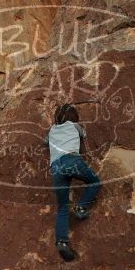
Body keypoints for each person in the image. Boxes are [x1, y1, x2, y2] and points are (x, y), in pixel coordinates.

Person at [44, 103, 101, 261]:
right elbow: (84, 134)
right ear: (74, 117)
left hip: (56, 167)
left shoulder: (51, 131)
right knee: (95, 182)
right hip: (71, 160)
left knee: (62, 207)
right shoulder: (76, 127)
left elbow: (45, 142)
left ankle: (62, 242)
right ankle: (81, 206)